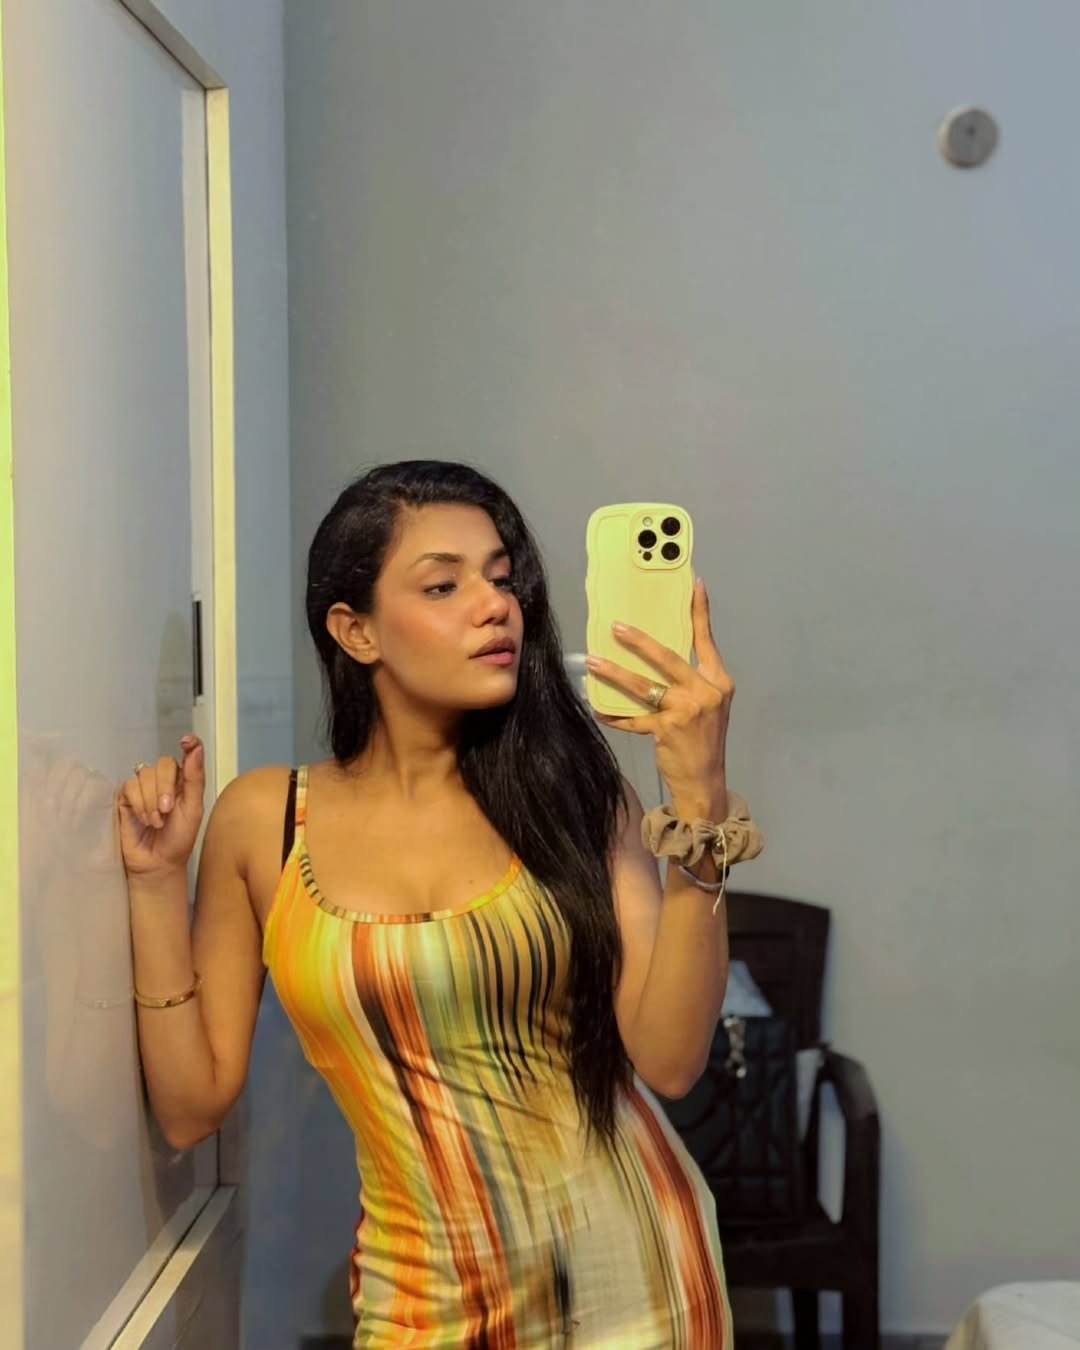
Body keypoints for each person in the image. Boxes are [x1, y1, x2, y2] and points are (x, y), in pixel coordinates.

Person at [119, 459, 752, 1348]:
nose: (495, 606)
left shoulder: (574, 797)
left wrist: (700, 803)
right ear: (356, 631)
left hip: (638, 1284)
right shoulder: (266, 821)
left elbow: (672, 1059)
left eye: (502, 578)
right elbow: (190, 1109)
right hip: (419, 1299)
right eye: (444, 585)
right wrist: (154, 883)